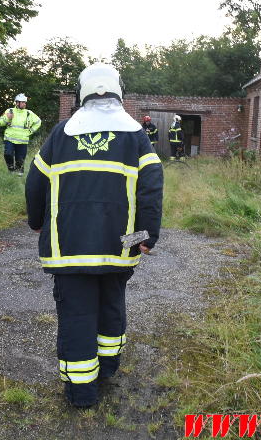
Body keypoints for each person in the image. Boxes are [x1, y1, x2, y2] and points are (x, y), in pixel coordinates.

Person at [25, 63, 163, 408]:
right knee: (112, 305)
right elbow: (151, 189)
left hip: (66, 246)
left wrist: (36, 223)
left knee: (76, 316)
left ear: (82, 92)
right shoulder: (135, 135)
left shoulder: (61, 134)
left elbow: (35, 183)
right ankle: (108, 369)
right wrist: (146, 237)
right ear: (118, 90)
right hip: (120, 245)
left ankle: (81, 394)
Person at [0, 93, 41, 176]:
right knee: (8, 154)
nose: (24, 104)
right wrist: (7, 118)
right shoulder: (9, 111)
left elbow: (38, 122)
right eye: (23, 102)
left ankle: (18, 176)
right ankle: (11, 169)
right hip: (10, 139)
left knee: (20, 161)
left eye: (25, 102)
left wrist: (30, 131)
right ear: (17, 103)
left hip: (22, 141)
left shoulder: (29, 113)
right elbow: (0, 123)